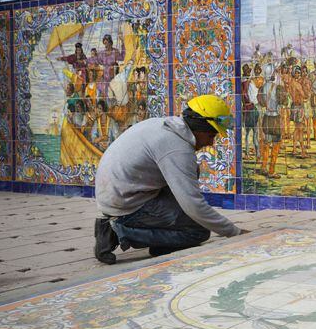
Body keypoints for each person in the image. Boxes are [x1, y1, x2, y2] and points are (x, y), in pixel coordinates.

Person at [94, 94, 245, 264]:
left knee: (190, 182)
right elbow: (193, 205)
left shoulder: (165, 125)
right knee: (198, 231)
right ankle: (117, 232)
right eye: (211, 136)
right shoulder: (177, 149)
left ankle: (160, 244)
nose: (211, 143)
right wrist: (235, 233)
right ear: (200, 128)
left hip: (115, 194)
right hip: (124, 203)